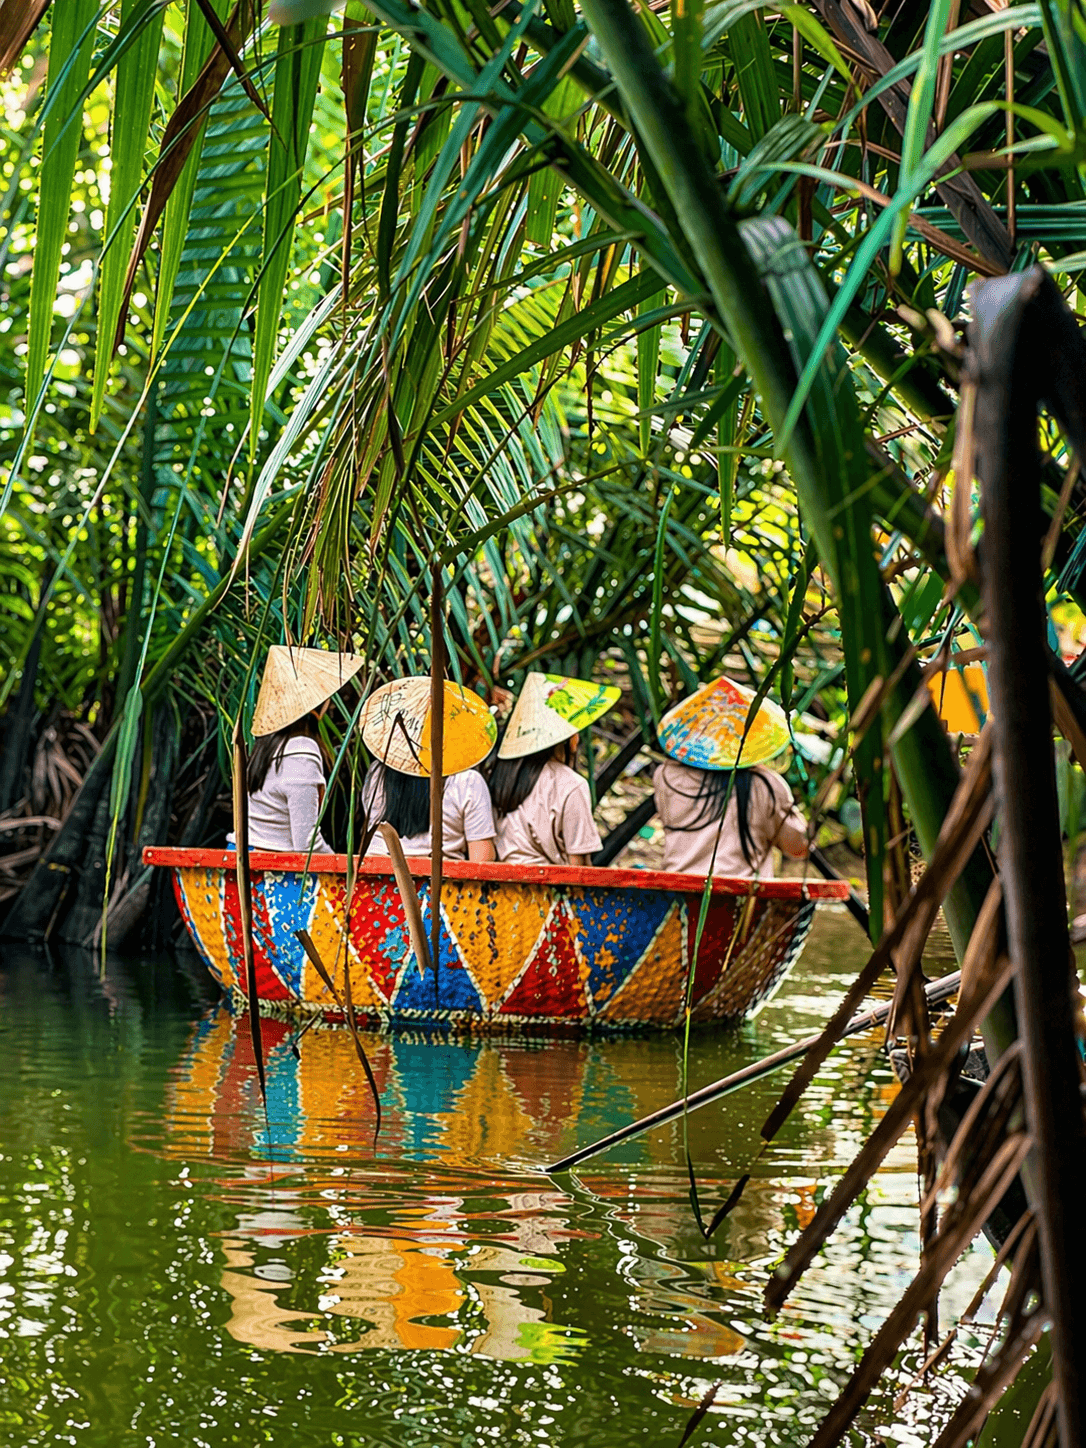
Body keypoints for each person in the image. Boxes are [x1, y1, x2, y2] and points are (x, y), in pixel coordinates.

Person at [653, 675, 808, 879]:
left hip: (679, 891)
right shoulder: (765, 784)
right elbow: (798, 847)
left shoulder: (666, 776)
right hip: (742, 900)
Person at [233, 645, 364, 853]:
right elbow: (306, 842)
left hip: (245, 856)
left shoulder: (267, 745)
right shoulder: (302, 751)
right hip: (273, 870)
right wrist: (341, 870)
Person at [358, 675, 498, 861]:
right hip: (440, 884)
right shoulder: (467, 781)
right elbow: (482, 860)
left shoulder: (377, 772)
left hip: (375, 880)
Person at [490, 672, 620, 867]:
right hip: (548, 890)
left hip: (500, 889)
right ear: (570, 737)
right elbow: (579, 866)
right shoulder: (571, 784)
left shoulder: (498, 776)